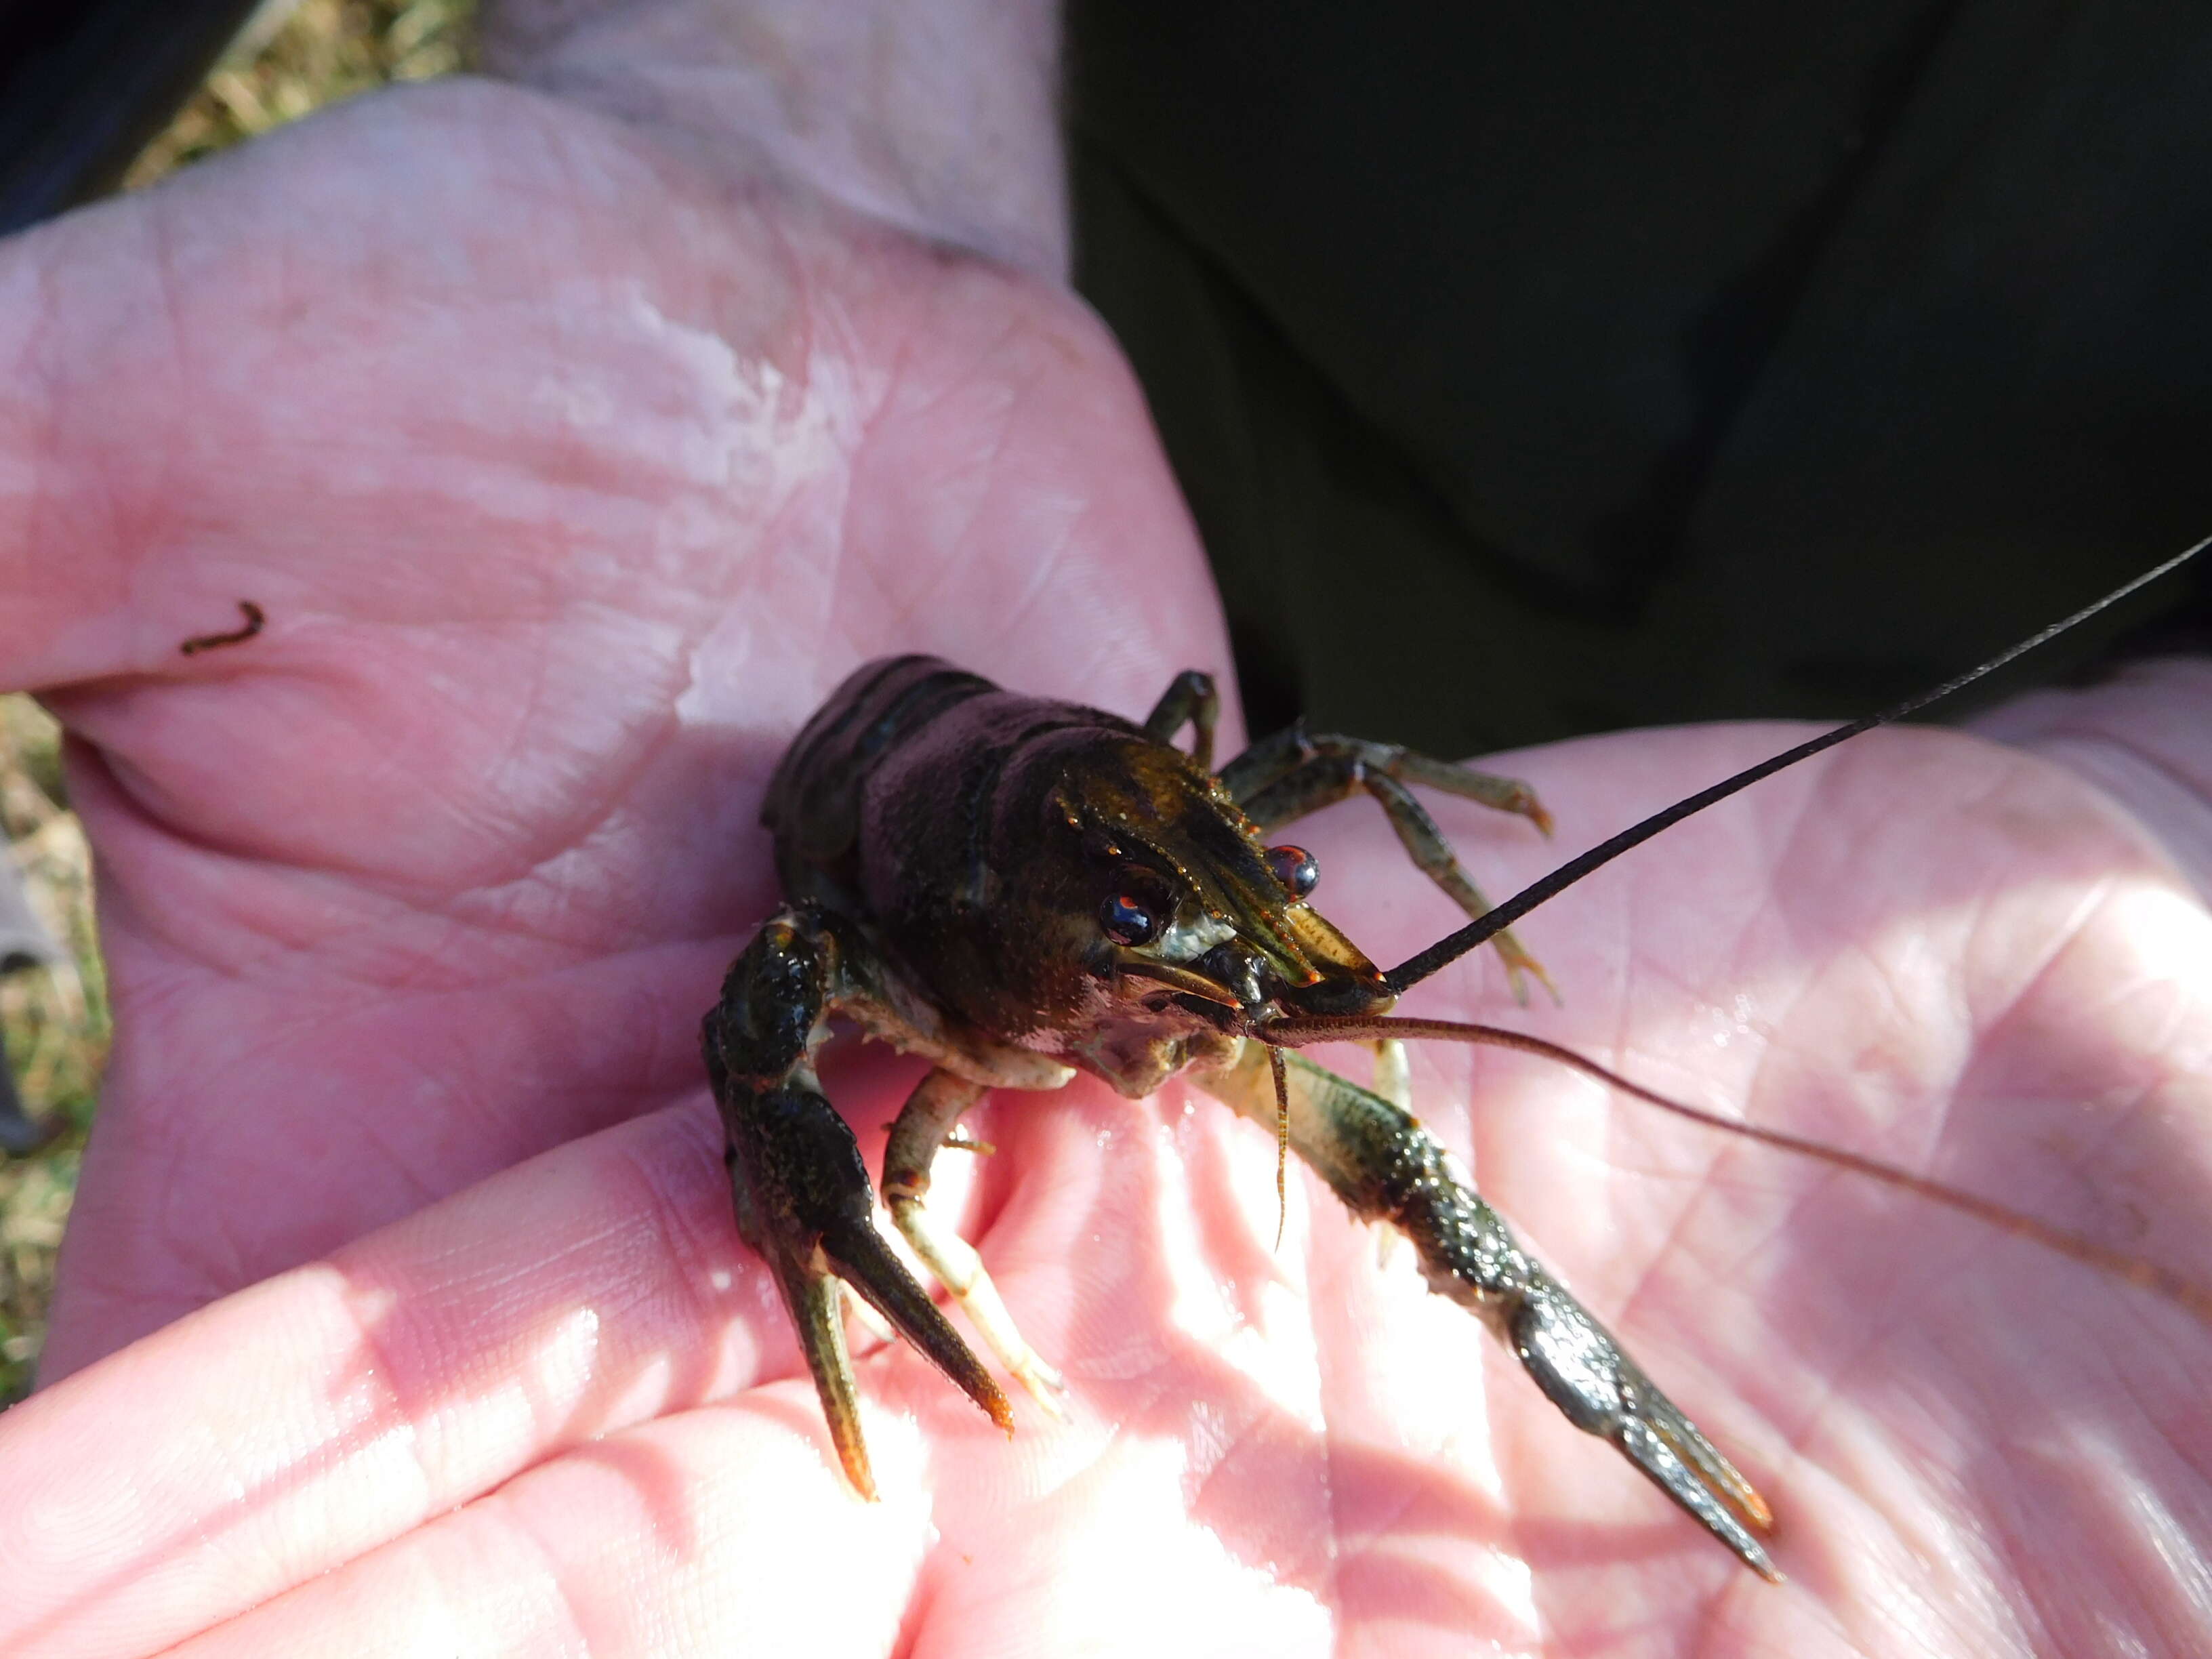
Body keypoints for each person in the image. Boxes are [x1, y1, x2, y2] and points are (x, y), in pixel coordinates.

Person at [0, 3, 2206, 1652]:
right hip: (1102, 267)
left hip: (1898, 631)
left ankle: (1637, 1400)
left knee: (1385, 1085)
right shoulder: (891, 944)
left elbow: (1266, 859)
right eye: (1195, 960)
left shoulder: (1214, 927)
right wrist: (787, 102)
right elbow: (775, 1012)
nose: (1229, 1018)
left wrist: (2157, 811)